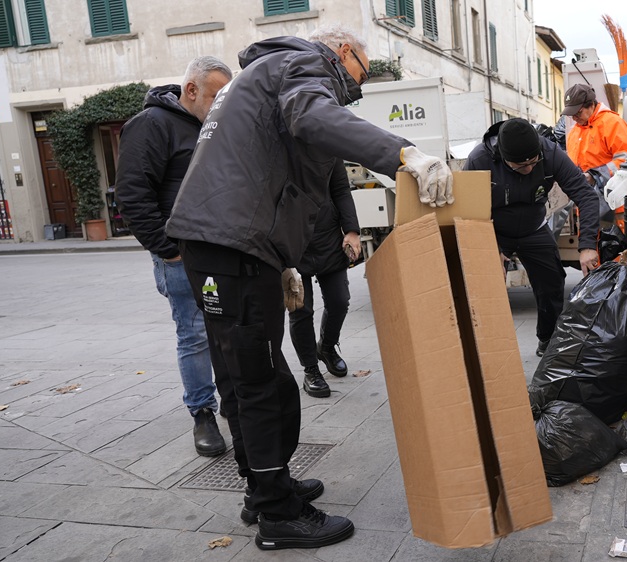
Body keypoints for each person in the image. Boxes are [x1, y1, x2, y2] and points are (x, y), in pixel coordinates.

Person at [164, 24, 452, 551]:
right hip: (231, 245)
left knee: (251, 375)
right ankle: (277, 515)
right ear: (344, 52)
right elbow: (313, 117)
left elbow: (275, 175)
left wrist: (281, 262)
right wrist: (404, 154)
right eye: (362, 72)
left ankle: (263, 489)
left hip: (227, 244)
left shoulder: (266, 70)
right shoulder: (302, 62)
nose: (358, 86)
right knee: (260, 382)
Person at [114, 56, 232, 458]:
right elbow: (132, 195)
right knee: (194, 333)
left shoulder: (212, 125)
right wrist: (167, 250)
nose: (220, 104)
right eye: (215, 96)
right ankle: (203, 413)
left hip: (219, 249)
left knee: (225, 329)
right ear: (191, 90)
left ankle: (232, 401)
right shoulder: (150, 124)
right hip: (180, 255)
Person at [464, 118, 600, 357]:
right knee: (484, 286)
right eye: (520, 166)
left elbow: (586, 195)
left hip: (533, 227)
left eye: (533, 162)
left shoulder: (550, 152)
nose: (528, 169)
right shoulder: (479, 160)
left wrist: (587, 245)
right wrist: (492, 248)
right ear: (504, 157)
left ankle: (548, 339)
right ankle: (487, 350)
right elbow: (468, 211)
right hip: (493, 230)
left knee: (552, 282)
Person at [287, 163, 362, 397]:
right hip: (291, 242)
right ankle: (311, 369)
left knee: (339, 301)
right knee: (300, 309)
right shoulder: (276, 148)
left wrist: (351, 230)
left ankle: (327, 347)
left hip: (328, 237)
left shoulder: (328, 147)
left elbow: (341, 189)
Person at [563, 83, 627, 213]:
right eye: (571, 114)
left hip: (613, 206)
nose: (574, 118)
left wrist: (595, 176)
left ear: (591, 105)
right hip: (587, 206)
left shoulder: (613, 123)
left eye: (578, 113)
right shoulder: (574, 132)